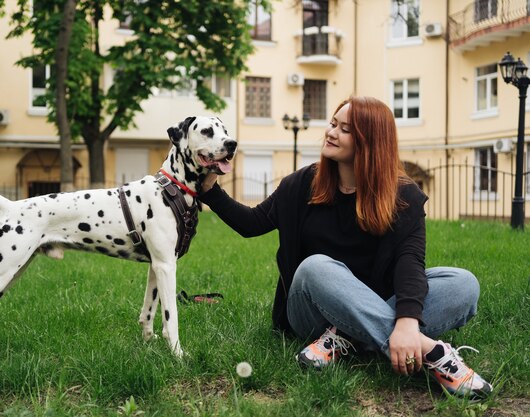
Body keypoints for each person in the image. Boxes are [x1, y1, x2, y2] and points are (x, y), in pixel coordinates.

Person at [199, 96, 492, 398]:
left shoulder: (404, 196)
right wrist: (210, 191)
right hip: (310, 308)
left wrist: (407, 320)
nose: (331, 132)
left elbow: (410, 263)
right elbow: (253, 223)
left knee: (462, 284)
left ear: (371, 141)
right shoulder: (301, 184)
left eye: (345, 129)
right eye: (333, 124)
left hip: (374, 300)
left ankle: (347, 338)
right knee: (316, 266)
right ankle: (431, 353)